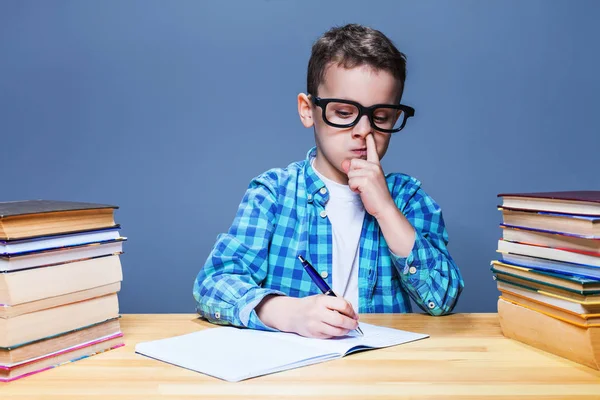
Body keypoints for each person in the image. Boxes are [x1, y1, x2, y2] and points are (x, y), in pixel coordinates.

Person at [193, 23, 464, 339]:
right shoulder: (273, 194)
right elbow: (213, 284)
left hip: (383, 375)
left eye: (380, 117)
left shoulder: (407, 198)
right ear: (308, 111)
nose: (363, 130)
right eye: (344, 111)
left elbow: (443, 298)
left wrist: (387, 212)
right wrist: (288, 312)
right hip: (297, 379)